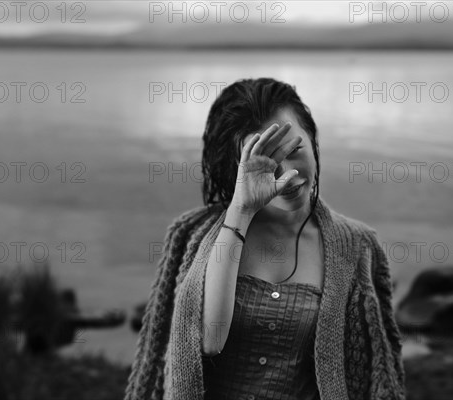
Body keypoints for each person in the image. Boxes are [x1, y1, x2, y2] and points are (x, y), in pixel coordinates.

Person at [124, 78, 405, 400]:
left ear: (314, 142)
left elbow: (380, 373)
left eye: (295, 151)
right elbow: (206, 342)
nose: (286, 175)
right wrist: (241, 211)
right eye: (267, 160)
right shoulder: (190, 235)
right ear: (236, 167)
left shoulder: (360, 247)